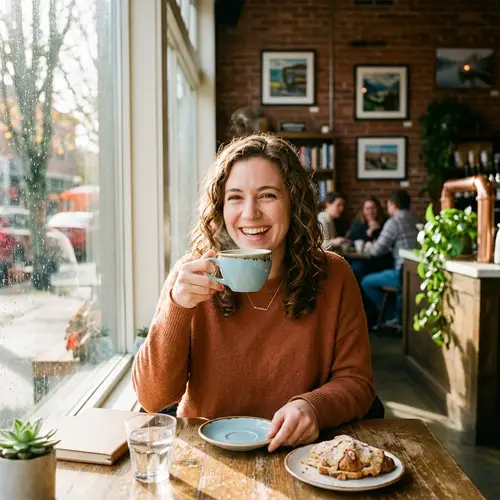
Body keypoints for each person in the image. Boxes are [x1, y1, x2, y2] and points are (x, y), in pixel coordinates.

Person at [132, 134, 375, 453]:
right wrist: (178, 307)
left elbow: (358, 383)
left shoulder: (334, 275)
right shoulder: (192, 274)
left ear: (294, 201)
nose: (250, 213)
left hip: (299, 455)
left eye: (268, 195)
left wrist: (313, 407)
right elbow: (152, 398)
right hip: (204, 456)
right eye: (235, 197)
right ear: (220, 205)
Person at [360, 190, 418, 329]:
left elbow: (377, 250)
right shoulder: (416, 219)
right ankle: (395, 315)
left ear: (393, 205)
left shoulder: (394, 221)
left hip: (402, 272)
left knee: (366, 282)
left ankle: (390, 315)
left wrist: (367, 247)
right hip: (416, 272)